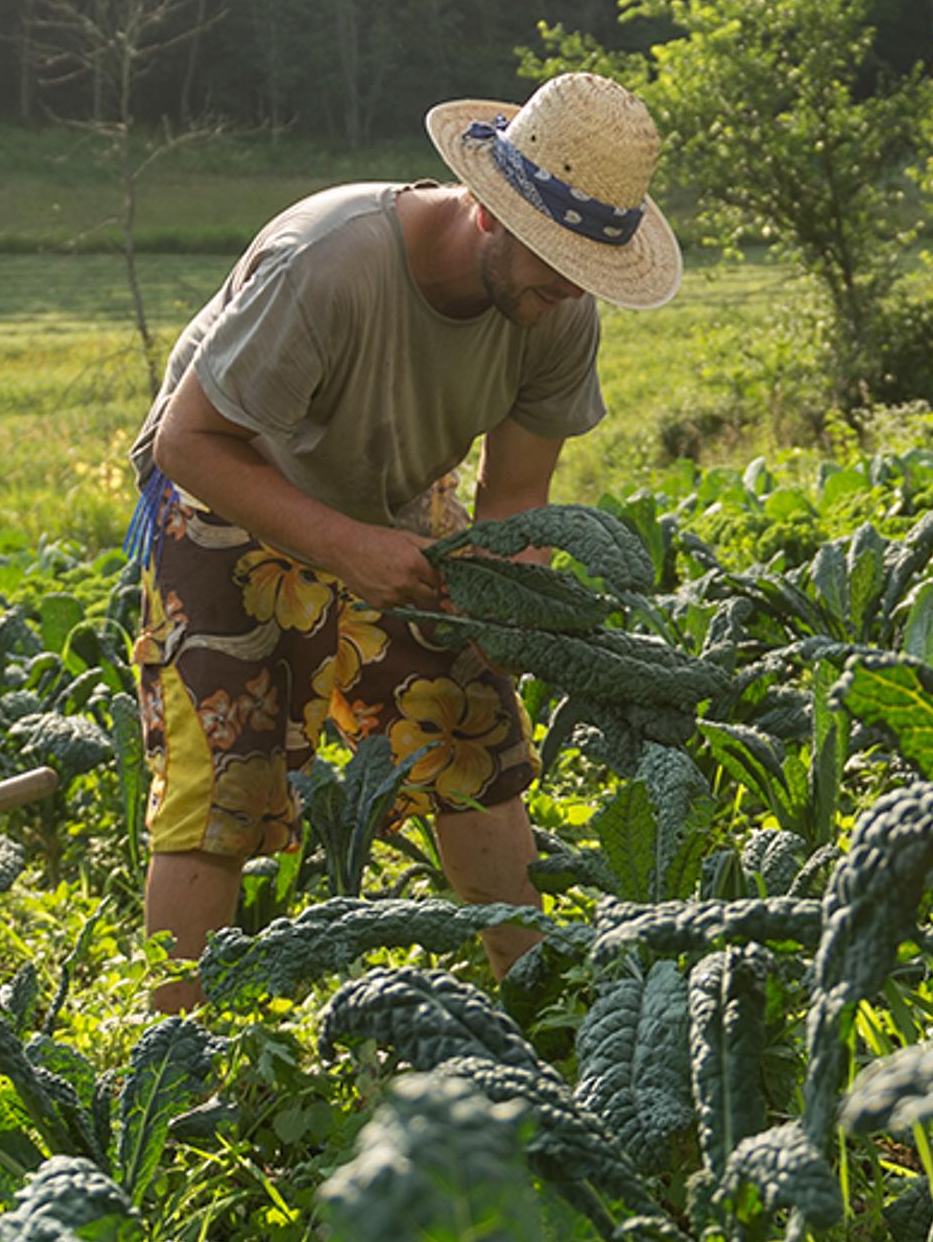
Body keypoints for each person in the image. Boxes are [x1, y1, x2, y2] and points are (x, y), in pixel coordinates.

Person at [123, 71, 681, 1011]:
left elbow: (513, 498)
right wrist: (345, 550)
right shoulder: (330, 261)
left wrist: (511, 613)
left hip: (394, 499)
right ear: (491, 216)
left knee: (475, 738)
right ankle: (179, 1068)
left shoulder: (557, 310)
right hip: (227, 489)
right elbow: (189, 441)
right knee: (223, 780)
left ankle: (541, 1006)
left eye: (584, 275)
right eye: (553, 264)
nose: (565, 295)